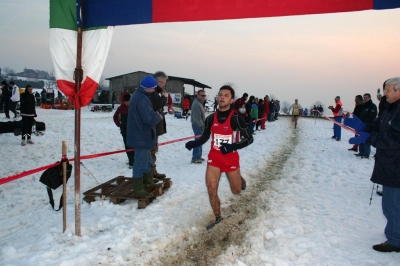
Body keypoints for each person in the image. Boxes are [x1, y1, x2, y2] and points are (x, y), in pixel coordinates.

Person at [185, 85, 254, 229]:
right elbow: (205, 136)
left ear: (232, 99)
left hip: (230, 159)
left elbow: (249, 139)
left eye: (226, 95)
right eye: (220, 94)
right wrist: (194, 143)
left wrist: (232, 147)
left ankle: (239, 178)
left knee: (236, 191)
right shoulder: (211, 118)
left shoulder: (236, 118)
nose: (222, 97)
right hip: (214, 158)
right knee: (211, 188)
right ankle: (218, 218)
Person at [344, 77, 400, 253]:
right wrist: (364, 126)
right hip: (388, 163)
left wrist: (369, 138)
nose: (385, 94)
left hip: (396, 166)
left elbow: (394, 139)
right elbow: (377, 126)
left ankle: (396, 239)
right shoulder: (390, 109)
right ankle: (394, 232)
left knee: (393, 204)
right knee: (389, 204)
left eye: (388, 90)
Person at [127, 76, 163, 198]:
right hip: (141, 136)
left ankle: (148, 181)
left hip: (142, 135)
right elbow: (149, 118)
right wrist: (159, 117)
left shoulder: (141, 96)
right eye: (153, 88)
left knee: (147, 160)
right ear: (147, 88)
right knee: (140, 162)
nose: (154, 90)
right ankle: (138, 188)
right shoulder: (142, 99)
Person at [150, 71, 168, 179]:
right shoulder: (153, 92)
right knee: (152, 149)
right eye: (164, 82)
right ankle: (150, 173)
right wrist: (164, 97)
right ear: (159, 82)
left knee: (153, 149)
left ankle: (152, 171)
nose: (164, 85)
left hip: (155, 124)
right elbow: (158, 105)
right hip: (153, 125)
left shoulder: (155, 91)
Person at [113, 94, 134, 168]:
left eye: (128, 101)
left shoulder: (134, 107)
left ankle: (134, 161)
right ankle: (131, 162)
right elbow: (115, 117)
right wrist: (119, 124)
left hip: (134, 130)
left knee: (134, 146)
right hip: (124, 131)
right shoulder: (120, 108)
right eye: (125, 101)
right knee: (127, 146)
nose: (126, 102)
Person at [355, 93, 377, 159]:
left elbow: (372, 116)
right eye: (364, 97)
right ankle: (361, 152)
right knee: (361, 138)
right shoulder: (363, 106)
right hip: (361, 125)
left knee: (366, 139)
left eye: (366, 97)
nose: (365, 99)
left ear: (369, 98)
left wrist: (366, 122)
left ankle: (366, 154)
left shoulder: (373, 106)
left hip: (368, 125)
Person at [190, 89, 207, 164]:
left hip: (200, 125)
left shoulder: (200, 103)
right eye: (202, 95)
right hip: (197, 126)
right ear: (198, 95)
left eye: (204, 95)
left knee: (200, 141)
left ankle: (198, 156)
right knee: (197, 141)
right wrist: (203, 126)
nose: (204, 97)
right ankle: (195, 158)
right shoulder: (197, 104)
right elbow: (197, 119)